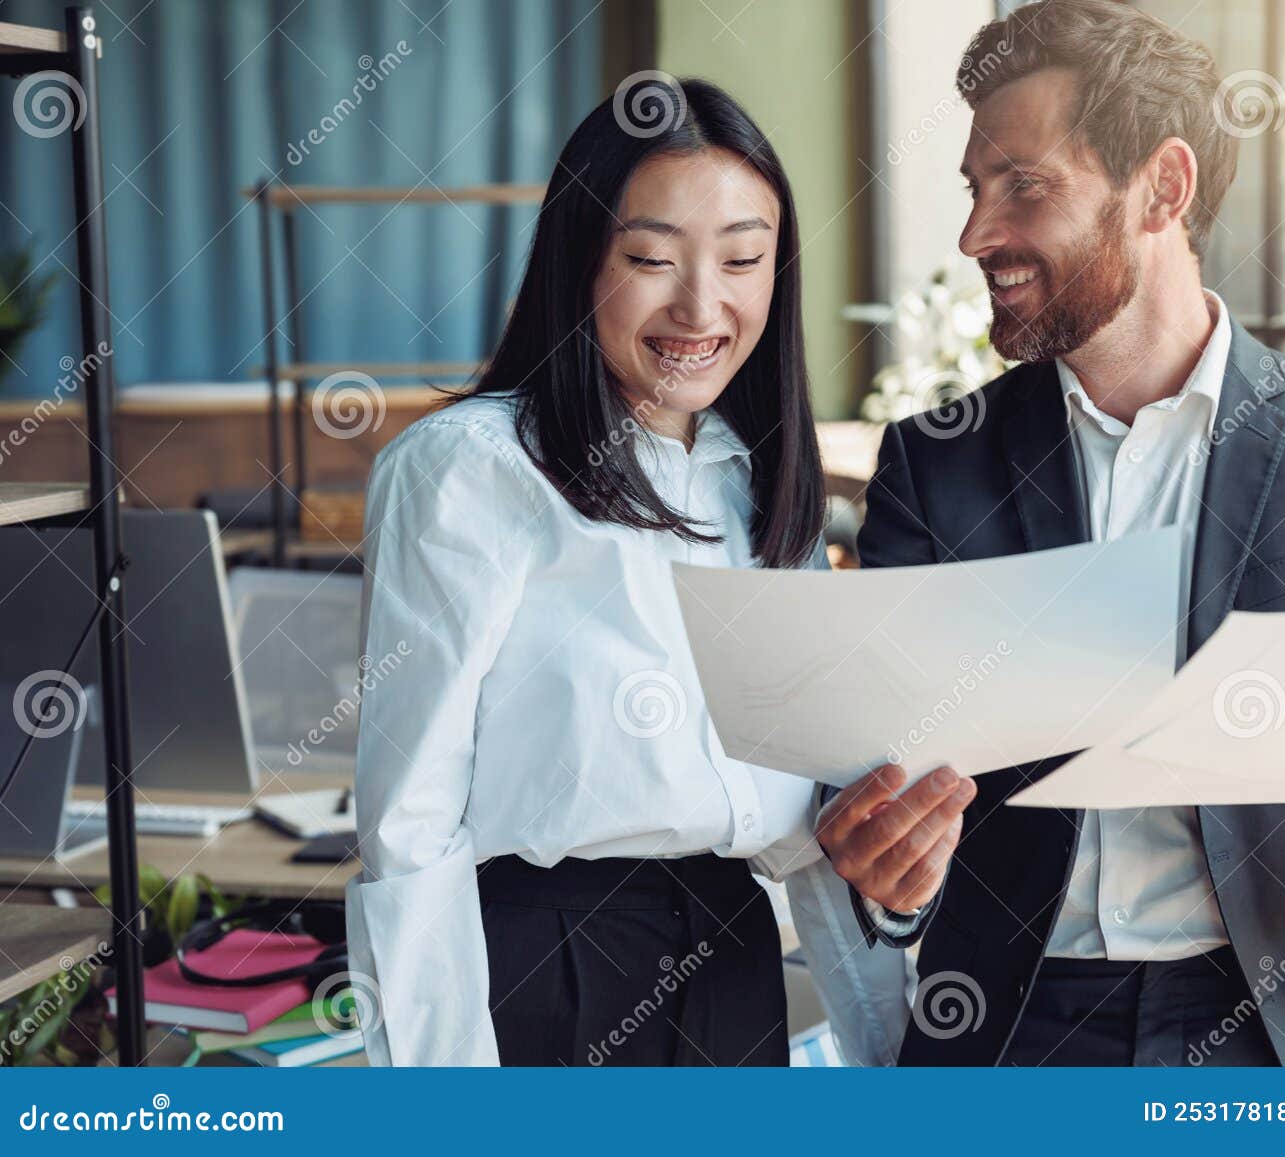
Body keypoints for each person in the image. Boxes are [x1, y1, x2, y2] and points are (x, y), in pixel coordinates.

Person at [819, 0, 1285, 1067]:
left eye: (1025, 187)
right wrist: (883, 873)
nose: (977, 234)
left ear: (1163, 186)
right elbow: (868, 776)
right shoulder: (935, 465)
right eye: (976, 190)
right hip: (1010, 1030)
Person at [344, 77, 950, 1067]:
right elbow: (409, 829)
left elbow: (812, 829)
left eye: (744, 259)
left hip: (730, 962)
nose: (700, 305)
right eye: (651, 259)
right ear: (580, 262)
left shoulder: (761, 482)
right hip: (545, 977)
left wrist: (892, 1043)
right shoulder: (471, 468)